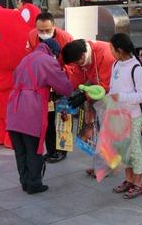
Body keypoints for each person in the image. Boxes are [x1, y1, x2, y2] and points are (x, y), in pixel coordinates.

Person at [7, 39, 73, 194]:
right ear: (54, 52)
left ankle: (25, 181)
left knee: (20, 150)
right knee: (34, 149)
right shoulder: (48, 61)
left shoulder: (27, 57)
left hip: (14, 107)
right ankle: (34, 184)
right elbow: (64, 87)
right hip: (31, 108)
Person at [63, 38, 116, 177]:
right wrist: (67, 90)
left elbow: (106, 85)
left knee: (106, 132)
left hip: (111, 95)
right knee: (98, 130)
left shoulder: (105, 54)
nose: (77, 65)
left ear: (82, 56)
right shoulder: (82, 54)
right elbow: (77, 76)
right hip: (96, 94)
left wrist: (84, 96)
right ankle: (101, 164)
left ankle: (105, 166)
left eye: (77, 62)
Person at [27, 12, 73, 163]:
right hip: (43, 85)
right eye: (41, 30)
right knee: (46, 118)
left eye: (47, 30)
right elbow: (29, 59)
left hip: (61, 81)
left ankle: (62, 149)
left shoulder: (65, 38)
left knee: (63, 117)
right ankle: (51, 149)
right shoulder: (32, 37)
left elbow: (72, 65)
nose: (44, 33)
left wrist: (60, 79)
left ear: (54, 26)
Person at [108, 33, 142, 199]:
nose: (110, 51)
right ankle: (129, 179)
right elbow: (112, 87)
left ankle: (138, 184)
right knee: (123, 150)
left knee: (134, 150)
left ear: (119, 50)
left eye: (111, 48)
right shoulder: (116, 65)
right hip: (118, 115)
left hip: (133, 116)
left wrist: (121, 97)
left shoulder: (137, 69)